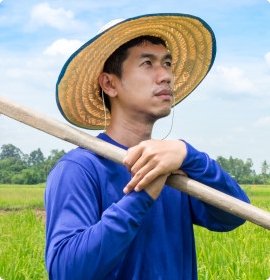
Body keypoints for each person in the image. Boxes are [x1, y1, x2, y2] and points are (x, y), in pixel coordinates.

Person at [45, 13, 250, 280]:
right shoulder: (80, 169)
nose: (165, 75)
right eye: (147, 63)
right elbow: (65, 272)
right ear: (109, 83)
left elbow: (232, 215)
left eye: (167, 63)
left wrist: (190, 156)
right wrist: (141, 197)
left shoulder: (175, 164)